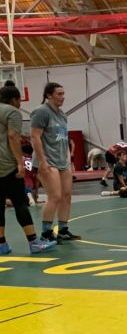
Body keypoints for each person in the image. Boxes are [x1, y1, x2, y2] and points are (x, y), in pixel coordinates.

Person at [0, 83, 57, 254]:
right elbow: (12, 136)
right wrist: (20, 162)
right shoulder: (12, 112)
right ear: (14, 99)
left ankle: (1, 244)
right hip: (7, 164)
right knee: (20, 202)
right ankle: (34, 242)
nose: (20, 104)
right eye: (19, 100)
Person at [30, 82, 80, 242]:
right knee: (55, 196)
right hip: (48, 160)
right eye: (59, 94)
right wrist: (42, 161)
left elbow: (64, 139)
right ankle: (46, 233)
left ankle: (63, 230)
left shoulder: (62, 114)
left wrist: (69, 160)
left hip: (62, 160)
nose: (63, 97)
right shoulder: (41, 112)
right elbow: (35, 137)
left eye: (63, 94)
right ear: (49, 95)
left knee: (66, 196)